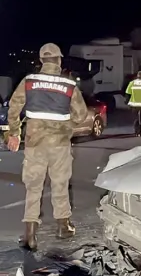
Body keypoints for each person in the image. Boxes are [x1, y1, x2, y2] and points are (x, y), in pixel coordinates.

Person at [7, 43, 87, 250]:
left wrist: (14, 132)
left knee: (33, 187)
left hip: (35, 143)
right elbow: (81, 115)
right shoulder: (69, 85)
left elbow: (14, 107)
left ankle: (30, 235)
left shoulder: (29, 81)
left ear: (41, 61)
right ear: (59, 60)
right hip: (60, 143)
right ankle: (63, 226)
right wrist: (67, 125)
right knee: (60, 184)